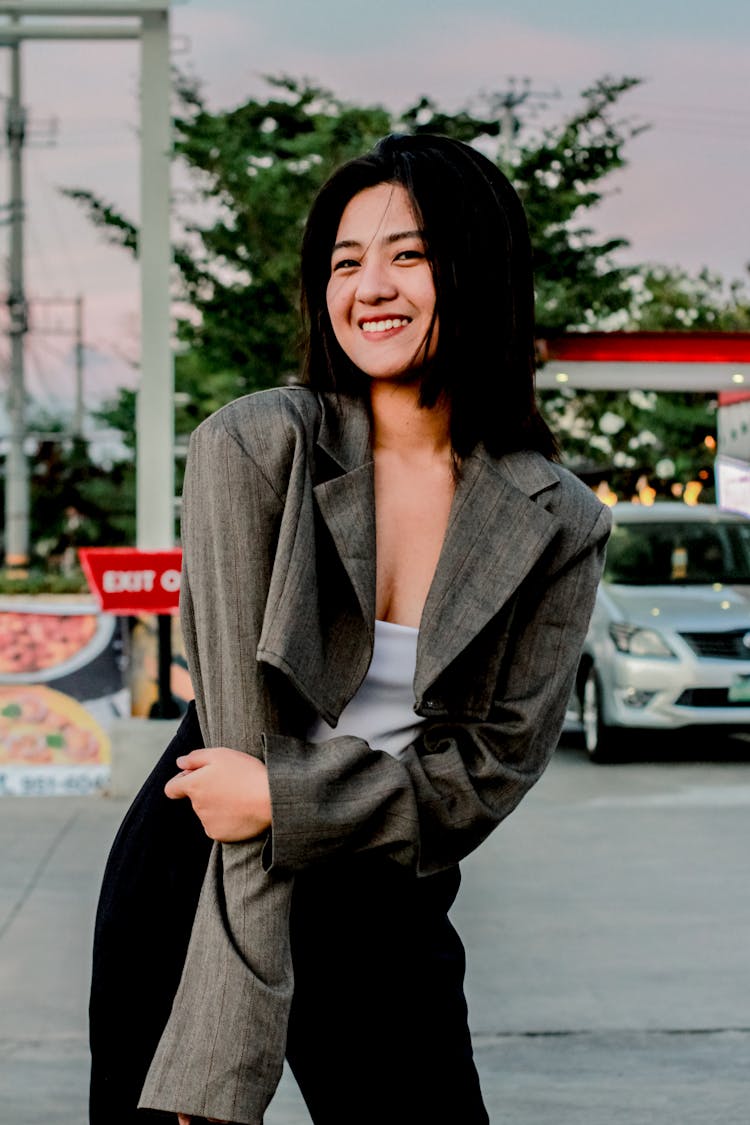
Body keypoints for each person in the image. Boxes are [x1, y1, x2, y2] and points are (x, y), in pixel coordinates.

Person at [137, 133, 611, 1125]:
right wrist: (221, 1045)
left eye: (408, 252)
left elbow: (482, 777)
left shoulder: (558, 517)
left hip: (387, 880)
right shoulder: (257, 446)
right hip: (200, 869)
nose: (371, 286)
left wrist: (285, 794)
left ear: (475, 266)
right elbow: (237, 771)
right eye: (345, 262)